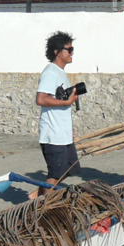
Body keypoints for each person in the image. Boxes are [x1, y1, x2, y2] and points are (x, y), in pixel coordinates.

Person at [33, 31, 80, 199]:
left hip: (62, 133)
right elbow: (41, 99)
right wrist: (66, 102)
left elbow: (58, 98)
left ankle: (37, 195)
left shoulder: (60, 72)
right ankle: (44, 205)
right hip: (53, 134)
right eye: (69, 49)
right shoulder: (50, 72)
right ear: (57, 52)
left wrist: (70, 99)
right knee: (55, 174)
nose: (72, 53)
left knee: (70, 168)